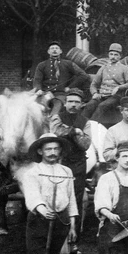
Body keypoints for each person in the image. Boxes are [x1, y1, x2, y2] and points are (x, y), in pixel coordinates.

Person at [22, 133, 78, 254]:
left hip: (61, 222)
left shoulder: (66, 171)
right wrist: (41, 208)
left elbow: (71, 199)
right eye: (48, 149)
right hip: (39, 222)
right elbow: (32, 195)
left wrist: (72, 225)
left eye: (56, 148)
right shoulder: (33, 172)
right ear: (40, 151)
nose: (53, 152)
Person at [49, 87, 93, 234]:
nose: (73, 105)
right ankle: (58, 234)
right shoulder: (57, 118)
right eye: (70, 101)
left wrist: (68, 133)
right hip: (60, 162)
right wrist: (74, 131)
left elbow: (85, 144)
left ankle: (74, 236)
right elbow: (56, 131)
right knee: (58, 195)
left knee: (77, 198)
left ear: (82, 105)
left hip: (78, 164)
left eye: (77, 102)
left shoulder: (86, 122)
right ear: (65, 103)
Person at [31, 41, 87, 116]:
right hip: (45, 92)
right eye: (52, 48)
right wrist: (38, 89)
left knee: (58, 103)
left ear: (60, 51)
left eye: (56, 48)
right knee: (34, 105)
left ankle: (53, 119)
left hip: (61, 94)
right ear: (48, 51)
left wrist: (70, 87)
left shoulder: (68, 64)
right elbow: (37, 80)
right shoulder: (42, 65)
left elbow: (83, 75)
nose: (54, 50)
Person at [84, 43, 128, 120]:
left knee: (102, 106)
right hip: (102, 95)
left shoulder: (124, 68)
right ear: (108, 55)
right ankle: (80, 124)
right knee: (89, 105)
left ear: (120, 56)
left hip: (116, 97)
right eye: (111, 54)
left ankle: (92, 125)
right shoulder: (103, 68)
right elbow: (94, 84)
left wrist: (119, 87)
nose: (113, 57)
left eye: (116, 55)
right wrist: (94, 93)